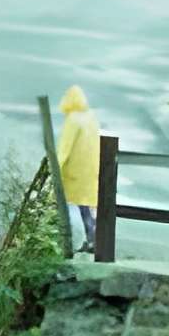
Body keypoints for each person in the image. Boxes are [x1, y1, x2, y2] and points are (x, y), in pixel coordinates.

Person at [53, 87, 102, 248]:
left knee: (61, 204)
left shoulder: (73, 119)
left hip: (75, 170)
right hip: (91, 168)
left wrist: (55, 168)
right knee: (87, 205)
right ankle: (92, 239)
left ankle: (64, 241)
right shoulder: (91, 117)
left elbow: (65, 147)